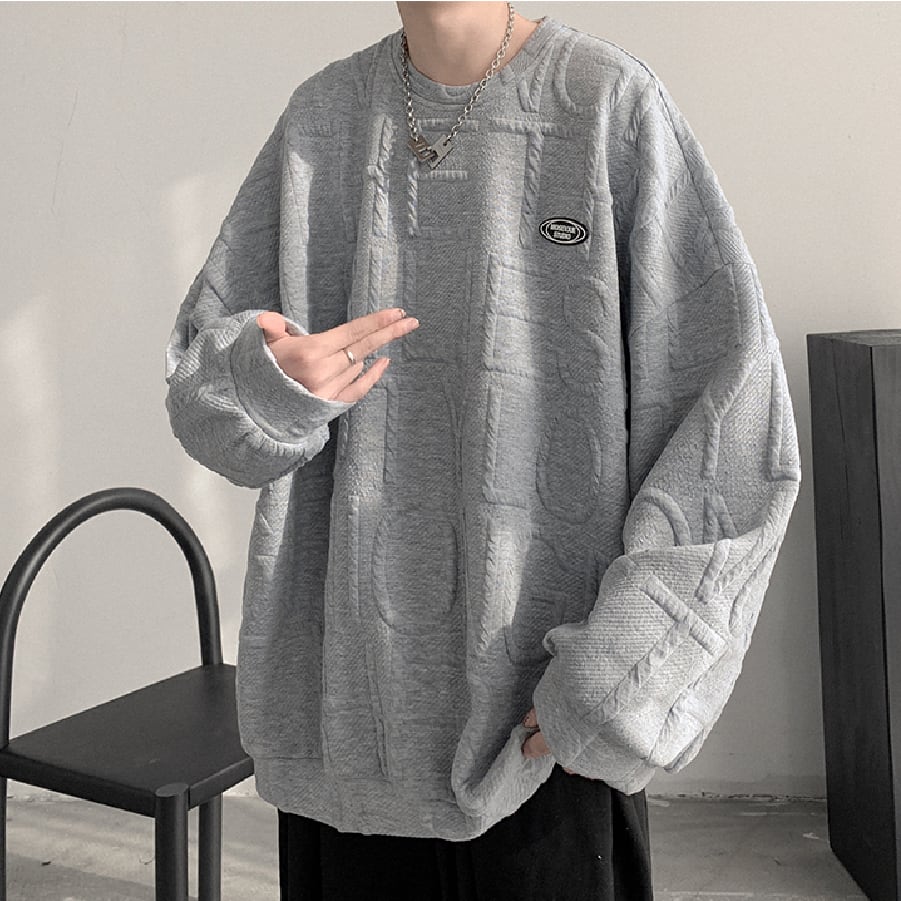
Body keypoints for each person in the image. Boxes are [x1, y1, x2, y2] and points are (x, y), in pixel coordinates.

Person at [163, 2, 802, 898]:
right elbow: (204, 397)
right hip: (348, 728)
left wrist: (617, 677)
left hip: (541, 728)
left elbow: (732, 427)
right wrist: (267, 382)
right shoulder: (322, 120)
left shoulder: (604, 103)